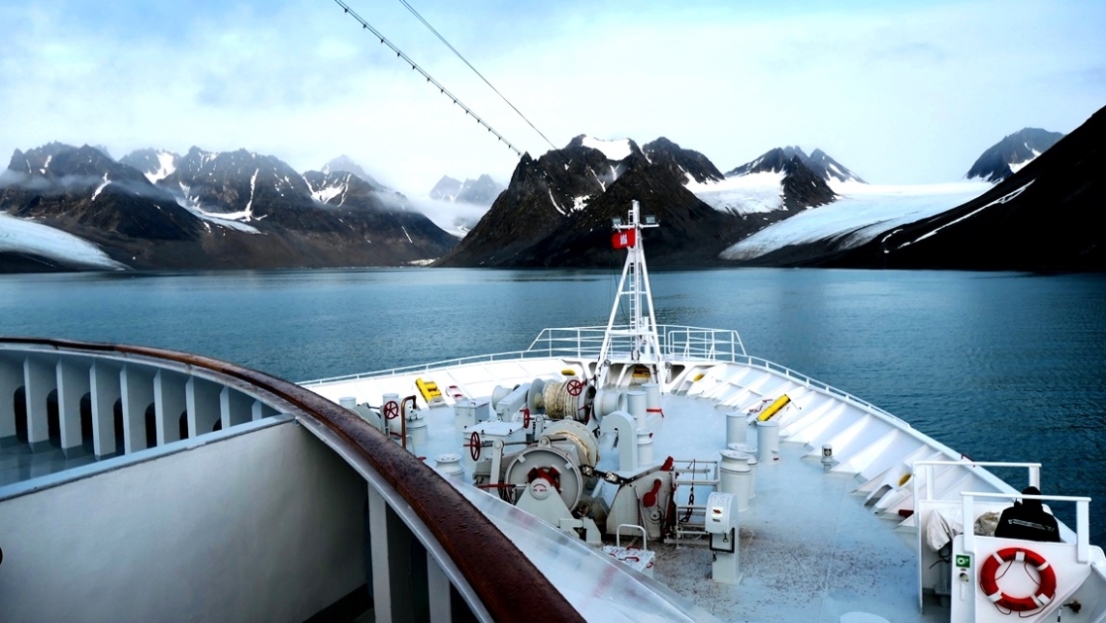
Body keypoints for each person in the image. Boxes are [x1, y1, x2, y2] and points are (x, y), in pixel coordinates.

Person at [993, 486, 1061, 542]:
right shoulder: (1050, 521)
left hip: (1008, 554)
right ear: (1039, 500)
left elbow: (998, 536)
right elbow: (1055, 544)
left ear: (1023, 499)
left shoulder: (1008, 513)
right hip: (1038, 556)